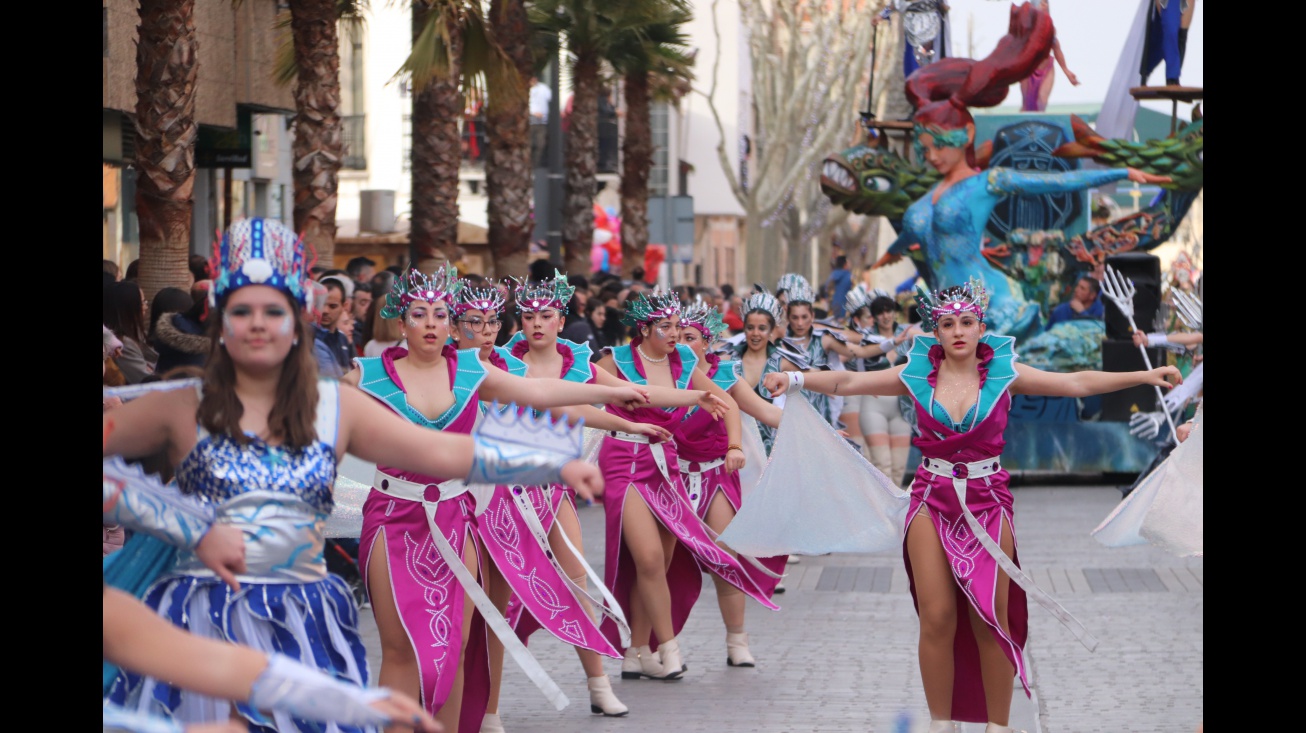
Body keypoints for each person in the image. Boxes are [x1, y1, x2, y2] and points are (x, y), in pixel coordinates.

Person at [104, 217, 604, 733]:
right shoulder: (182, 407)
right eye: (241, 310)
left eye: (273, 310)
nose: (257, 323)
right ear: (219, 322)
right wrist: (187, 525)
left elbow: (441, 452)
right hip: (199, 619)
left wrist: (549, 462)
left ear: (299, 319)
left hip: (303, 615)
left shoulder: (333, 408)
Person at [758, 279, 1181, 733]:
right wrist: (796, 378)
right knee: (936, 616)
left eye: (966, 322)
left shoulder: (1006, 372)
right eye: (947, 323)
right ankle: (942, 724)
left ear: (981, 327)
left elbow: (1075, 382)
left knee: (988, 617)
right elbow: (848, 380)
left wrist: (1143, 375)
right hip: (930, 498)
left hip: (987, 502)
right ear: (935, 332)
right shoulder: (915, 374)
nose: (957, 331)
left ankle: (997, 726)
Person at [339, 267, 653, 732]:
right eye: (419, 313)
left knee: (454, 647)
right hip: (393, 519)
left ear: (450, 323)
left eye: (440, 314)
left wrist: (611, 391)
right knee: (402, 649)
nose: (430, 323)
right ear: (400, 321)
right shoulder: (365, 376)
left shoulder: (468, 370)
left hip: (455, 517)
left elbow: (539, 390)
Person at [455, 274, 677, 730]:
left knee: (577, 578)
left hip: (546, 486)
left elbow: (561, 403)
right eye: (474, 321)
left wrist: (634, 418)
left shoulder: (515, 368)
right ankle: (489, 708)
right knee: (492, 607)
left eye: (491, 320)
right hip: (484, 497)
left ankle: (599, 685)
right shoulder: (464, 368)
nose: (487, 329)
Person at [877, 3, 1171, 340]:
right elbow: (914, 235)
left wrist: (1121, 173)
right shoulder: (927, 199)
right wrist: (888, 253)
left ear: (966, 136)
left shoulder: (988, 182)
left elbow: (1060, 181)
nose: (930, 157)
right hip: (944, 312)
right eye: (924, 149)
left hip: (987, 306)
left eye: (939, 145)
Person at [594, 288, 778, 682]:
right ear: (644, 329)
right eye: (668, 327)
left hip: (674, 467)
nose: (677, 334)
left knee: (670, 561)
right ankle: (670, 650)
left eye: (680, 327)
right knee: (646, 559)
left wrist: (794, 414)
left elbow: (730, 402)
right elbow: (585, 388)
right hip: (626, 461)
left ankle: (642, 650)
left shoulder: (686, 363)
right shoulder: (616, 359)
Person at [675, 299, 787, 667]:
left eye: (689, 337)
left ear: (706, 342)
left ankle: (737, 640)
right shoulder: (660, 375)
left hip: (713, 475)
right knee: (658, 565)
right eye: (675, 335)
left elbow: (766, 412)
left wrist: (813, 430)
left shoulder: (725, 376)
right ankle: (657, 645)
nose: (680, 342)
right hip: (669, 477)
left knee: (726, 558)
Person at [840, 288, 920, 483]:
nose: (886, 316)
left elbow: (935, 335)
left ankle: (896, 514)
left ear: (895, 312)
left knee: (899, 469)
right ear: (874, 316)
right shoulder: (866, 337)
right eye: (880, 312)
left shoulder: (908, 332)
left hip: (903, 406)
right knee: (881, 465)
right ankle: (881, 512)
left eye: (889, 310)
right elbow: (841, 348)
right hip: (873, 404)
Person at [1018, 0, 1079, 112]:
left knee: (1042, 101)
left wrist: (1066, 71)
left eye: (1046, 2)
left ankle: (1040, 126)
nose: (1044, 4)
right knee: (1027, 103)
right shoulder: (1027, 28)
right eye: (1041, 2)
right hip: (1028, 70)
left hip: (1046, 69)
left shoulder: (1050, 28)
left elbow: (1056, 49)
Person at [105, 280, 158, 384]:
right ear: (129, 307)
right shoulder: (122, 343)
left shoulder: (135, 332)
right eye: (142, 302)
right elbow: (146, 379)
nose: (145, 307)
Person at [314, 277, 354, 378]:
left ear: (344, 306)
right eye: (322, 304)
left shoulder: (343, 338)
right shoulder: (309, 338)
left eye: (333, 306)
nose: (325, 310)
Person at [529, 75, 551, 168]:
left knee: (540, 144)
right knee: (529, 143)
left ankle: (534, 165)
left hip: (542, 120)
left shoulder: (544, 88)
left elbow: (551, 98)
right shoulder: (525, 89)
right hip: (529, 120)